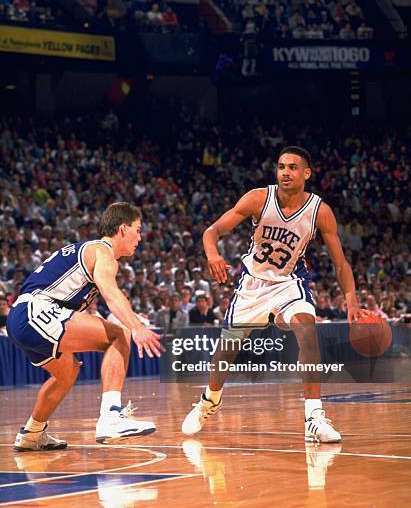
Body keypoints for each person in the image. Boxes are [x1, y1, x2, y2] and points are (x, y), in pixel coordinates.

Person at [182, 147, 369, 442]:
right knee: (226, 351)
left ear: (306, 174)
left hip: (289, 283)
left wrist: (351, 299)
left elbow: (340, 263)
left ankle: (314, 417)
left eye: (293, 167)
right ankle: (210, 399)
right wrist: (212, 255)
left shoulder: (320, 211)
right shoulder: (258, 198)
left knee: (307, 330)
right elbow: (212, 231)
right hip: (253, 284)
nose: (285, 172)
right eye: (281, 166)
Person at [7, 202, 162, 451]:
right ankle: (111, 416)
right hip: (36, 310)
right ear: (123, 229)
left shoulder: (86, 250)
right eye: (138, 229)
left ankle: (32, 433)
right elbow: (111, 294)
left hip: (19, 318)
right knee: (119, 335)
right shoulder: (103, 252)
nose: (140, 237)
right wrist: (136, 326)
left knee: (67, 372)